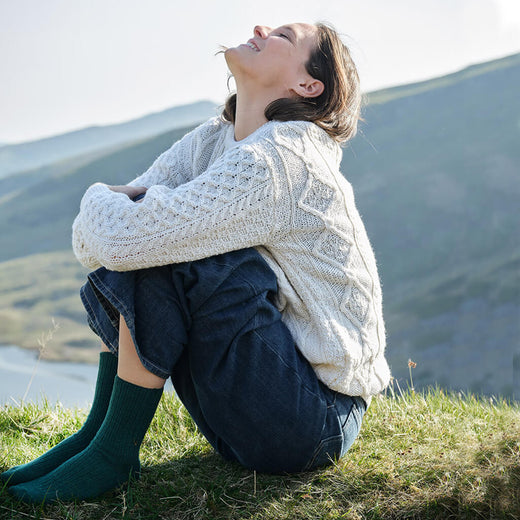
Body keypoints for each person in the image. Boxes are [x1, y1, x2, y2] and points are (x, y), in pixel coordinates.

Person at [2, 22, 390, 503]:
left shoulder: (285, 159)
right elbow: (98, 245)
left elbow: (120, 237)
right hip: (254, 406)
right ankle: (100, 436)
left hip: (313, 419)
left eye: (284, 37)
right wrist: (120, 212)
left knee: (183, 253)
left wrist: (103, 195)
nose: (260, 28)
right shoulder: (213, 140)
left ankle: (112, 454)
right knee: (161, 240)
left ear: (308, 86)